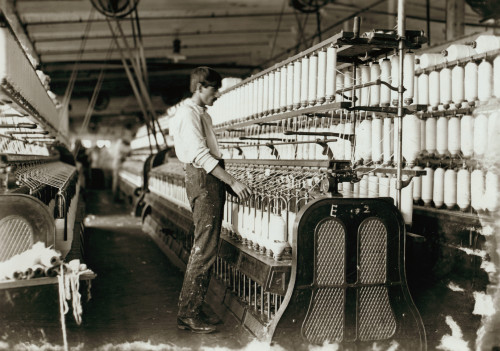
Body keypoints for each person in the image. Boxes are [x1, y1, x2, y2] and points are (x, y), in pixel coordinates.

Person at [171, 67, 252, 334]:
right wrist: (232, 181)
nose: (217, 94)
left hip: (207, 180)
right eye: (213, 89)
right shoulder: (188, 114)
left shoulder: (201, 114)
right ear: (199, 88)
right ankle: (189, 313)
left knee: (206, 246)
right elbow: (201, 157)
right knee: (204, 248)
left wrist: (226, 181)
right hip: (203, 180)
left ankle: (193, 307)